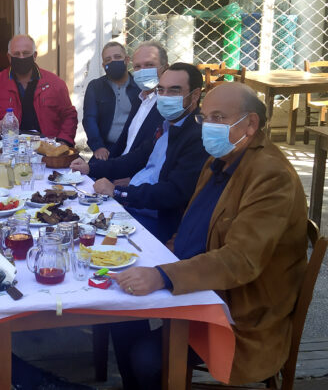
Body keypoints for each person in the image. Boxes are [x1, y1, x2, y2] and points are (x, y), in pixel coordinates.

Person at [109, 82, 308, 388]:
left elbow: (240, 260)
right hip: (204, 285)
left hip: (240, 312)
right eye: (204, 118)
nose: (208, 126)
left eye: (219, 117)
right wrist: (160, 257)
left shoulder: (271, 175)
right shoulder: (220, 160)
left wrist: (163, 275)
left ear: (251, 124)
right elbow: (193, 224)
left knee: (146, 357)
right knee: (120, 317)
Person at [70, 63, 209, 243]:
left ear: (195, 95)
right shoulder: (165, 125)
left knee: (85, 240)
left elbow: (174, 192)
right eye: (161, 90)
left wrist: (119, 192)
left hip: (154, 219)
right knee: (71, 219)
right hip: (132, 205)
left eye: (174, 91)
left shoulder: (197, 137)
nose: (165, 96)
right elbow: (133, 159)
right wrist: (90, 168)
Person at [0, 34, 78, 145]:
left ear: (34, 55)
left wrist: (63, 141)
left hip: (47, 147)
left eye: (26, 53)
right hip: (8, 147)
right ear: (9, 57)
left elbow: (69, 116)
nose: (21, 57)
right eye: (16, 54)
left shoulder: (55, 83)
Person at [82, 41, 163, 161]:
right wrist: (98, 146)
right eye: (108, 59)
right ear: (104, 65)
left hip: (134, 149)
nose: (113, 61)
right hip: (105, 149)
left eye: (117, 57)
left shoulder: (141, 87)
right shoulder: (96, 87)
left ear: (127, 60)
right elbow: (90, 119)